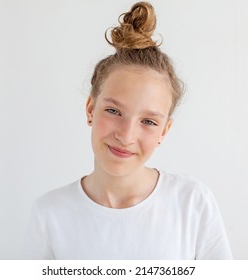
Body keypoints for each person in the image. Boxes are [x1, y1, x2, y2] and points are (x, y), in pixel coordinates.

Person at [22, 1, 233, 259]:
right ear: (91, 109)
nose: (126, 135)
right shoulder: (49, 213)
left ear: (164, 131)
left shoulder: (192, 202)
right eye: (113, 111)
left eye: (149, 121)